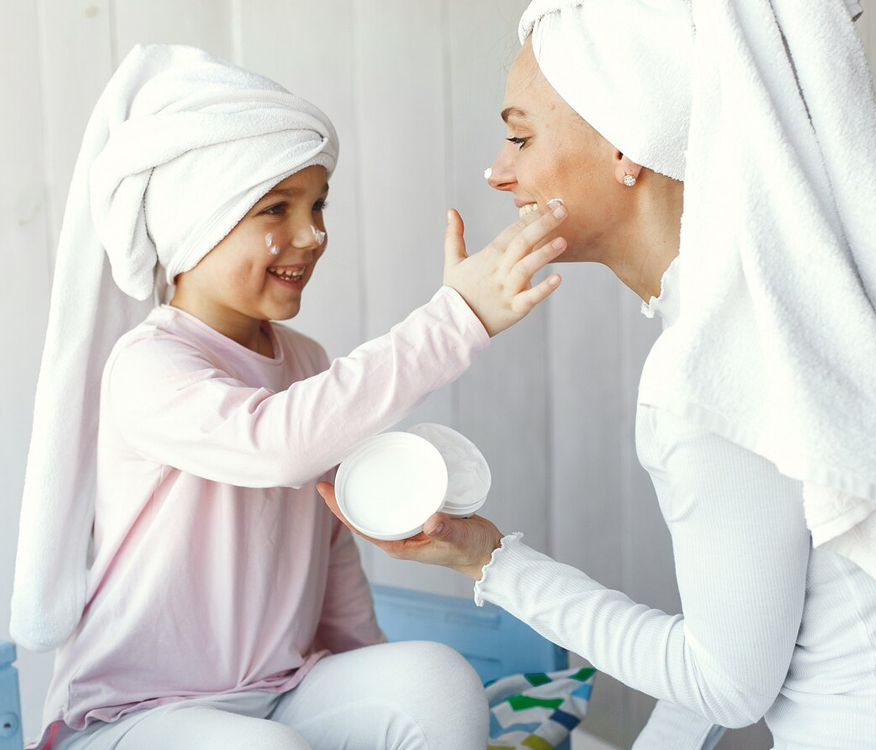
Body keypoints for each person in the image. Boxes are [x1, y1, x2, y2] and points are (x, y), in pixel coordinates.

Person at [321, 1, 876, 748]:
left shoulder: (714, 373)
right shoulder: (789, 324)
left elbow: (724, 684)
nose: (497, 170)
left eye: (520, 135)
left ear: (627, 147)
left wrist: (490, 559)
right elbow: (740, 639)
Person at [9, 44, 569, 750]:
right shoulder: (147, 366)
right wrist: (455, 319)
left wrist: (369, 665)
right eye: (278, 207)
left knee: (436, 683)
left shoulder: (304, 363)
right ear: (196, 221)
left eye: (318, 203)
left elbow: (330, 547)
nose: (313, 234)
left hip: (280, 692)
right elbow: (274, 443)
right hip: (137, 716)